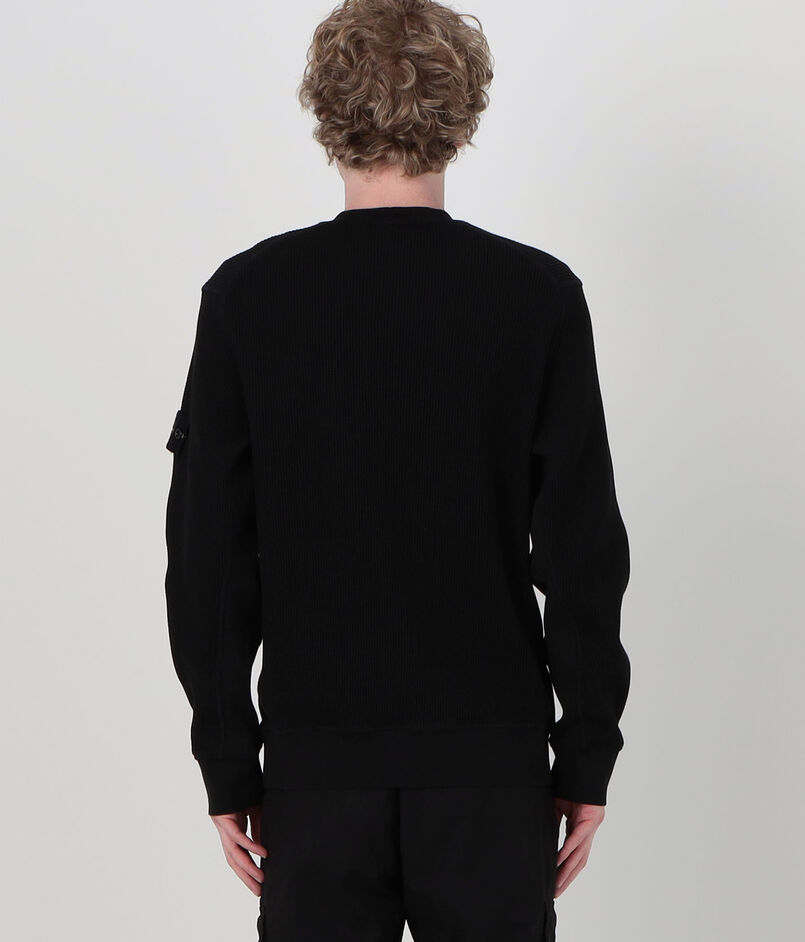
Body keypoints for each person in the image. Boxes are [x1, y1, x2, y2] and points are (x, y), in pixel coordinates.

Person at [164, 1, 631, 939]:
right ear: (462, 110)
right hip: (490, 771)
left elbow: (208, 557)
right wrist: (584, 755)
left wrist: (228, 759)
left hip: (314, 772)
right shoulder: (536, 297)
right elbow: (581, 553)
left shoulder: (248, 297)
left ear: (325, 108)